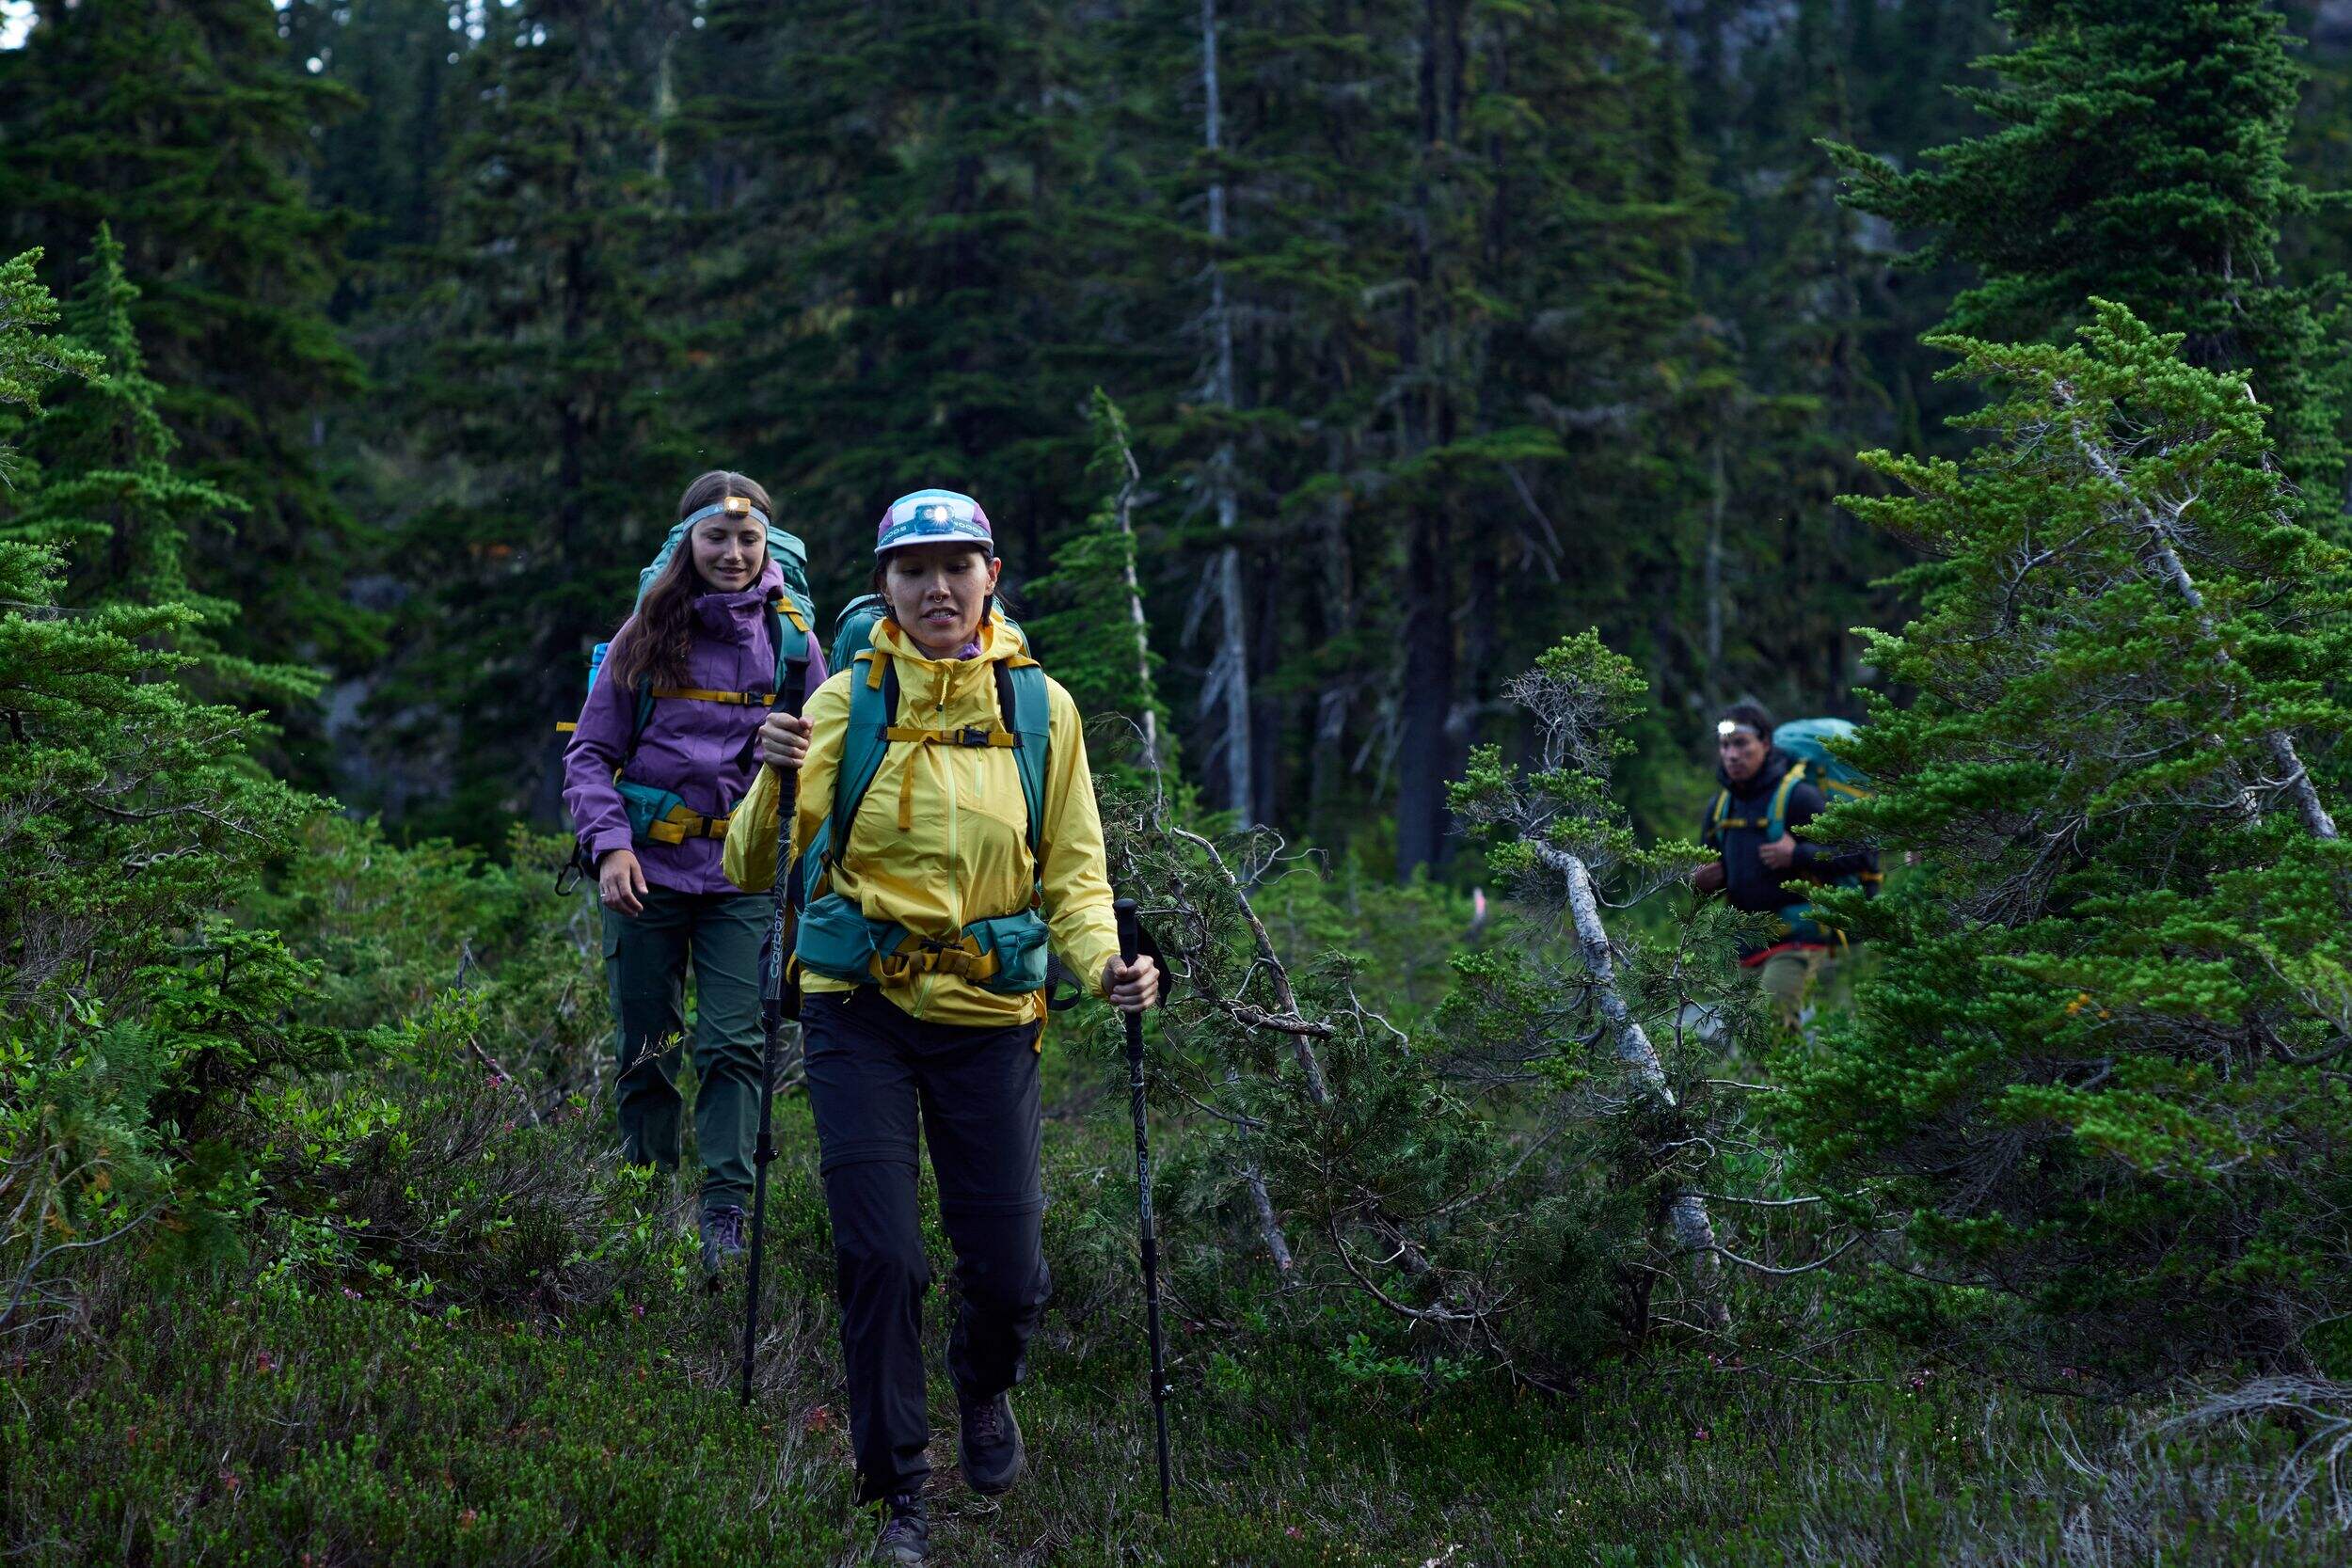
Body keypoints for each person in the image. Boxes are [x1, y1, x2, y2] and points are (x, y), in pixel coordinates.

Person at [725, 487, 1159, 1565]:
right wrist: (772, 778)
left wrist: (1106, 964)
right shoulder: (841, 705)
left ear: (990, 577)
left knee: (1009, 1273)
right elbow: (747, 864)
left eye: (957, 565)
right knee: (881, 1256)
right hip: (858, 1011)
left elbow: (1075, 875)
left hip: (990, 1014)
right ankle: (899, 1495)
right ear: (883, 587)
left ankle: (984, 1385)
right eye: (913, 570)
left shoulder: (1041, 709)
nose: (936, 588)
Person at [563, 471, 828, 1275]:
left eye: (749, 539)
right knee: (646, 1045)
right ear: (688, 542)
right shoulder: (643, 633)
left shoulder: (792, 641)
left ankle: (725, 1214)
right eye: (717, 537)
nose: (733, 552)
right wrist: (610, 846)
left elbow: (827, 759)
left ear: (768, 544)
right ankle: (644, 1204)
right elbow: (589, 754)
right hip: (644, 873)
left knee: (734, 1046)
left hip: (744, 876)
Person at [1692, 701, 1874, 1024]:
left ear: (1765, 744)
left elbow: (1857, 853)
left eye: (1741, 744)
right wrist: (1699, 882)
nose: (1732, 755)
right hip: (1745, 944)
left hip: (1798, 938)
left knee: (1774, 1021)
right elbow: (1702, 872)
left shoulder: (1798, 797)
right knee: (1745, 1036)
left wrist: (1798, 854)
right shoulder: (1720, 807)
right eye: (1725, 746)